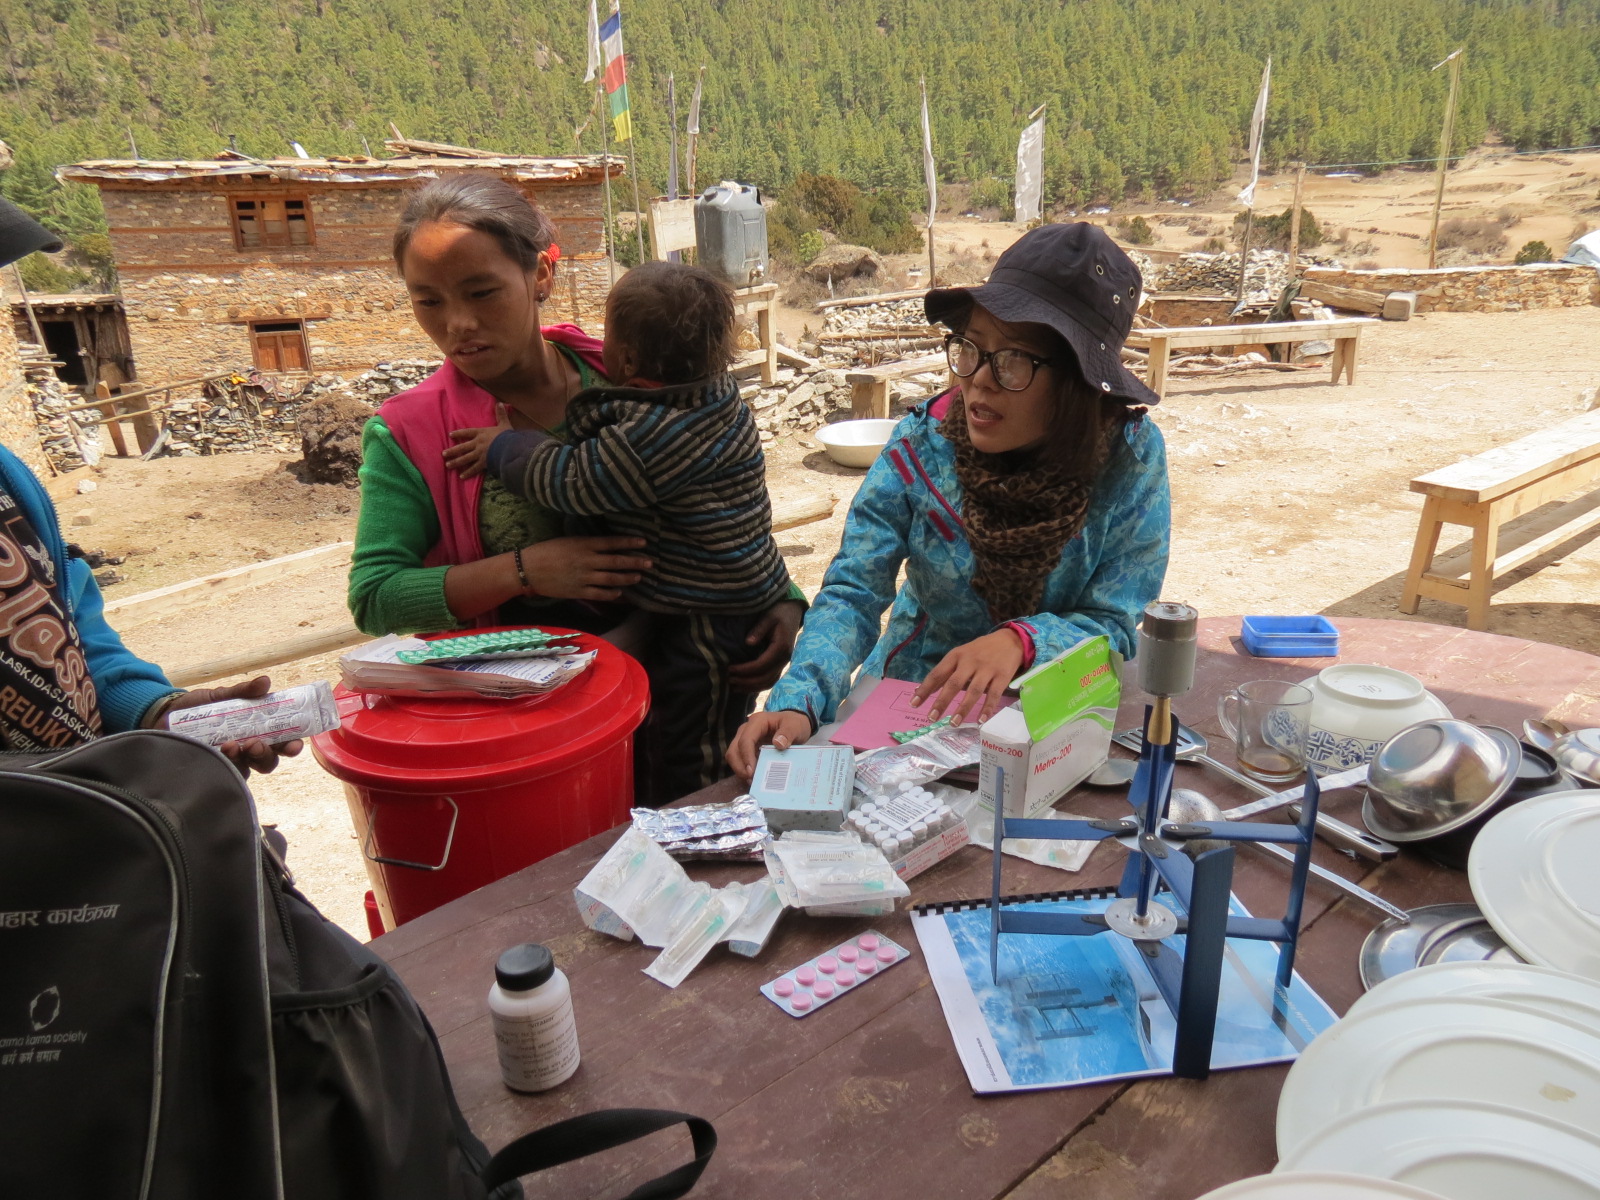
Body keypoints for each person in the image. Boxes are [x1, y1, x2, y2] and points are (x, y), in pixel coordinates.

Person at [349, 174, 803, 799]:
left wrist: (779, 597)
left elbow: (722, 492)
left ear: (540, 275)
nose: (458, 324)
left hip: (683, 674)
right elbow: (376, 596)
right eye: (428, 301)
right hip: (536, 728)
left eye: (482, 292)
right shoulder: (410, 432)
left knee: (687, 796)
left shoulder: (632, 372)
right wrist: (525, 570)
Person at [727, 222, 1171, 777]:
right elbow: (855, 589)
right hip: (912, 702)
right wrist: (800, 699)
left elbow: (1117, 623)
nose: (979, 380)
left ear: (1077, 381)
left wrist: (1023, 641)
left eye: (1014, 360)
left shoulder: (1129, 459)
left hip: (1055, 721)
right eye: (971, 348)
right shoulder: (922, 445)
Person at [443, 260, 793, 799]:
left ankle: (699, 815)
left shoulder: (655, 432)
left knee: (692, 741)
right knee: (686, 725)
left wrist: (504, 447)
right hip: (721, 595)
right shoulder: (713, 396)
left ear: (626, 359)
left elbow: (575, 479)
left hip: (705, 617)